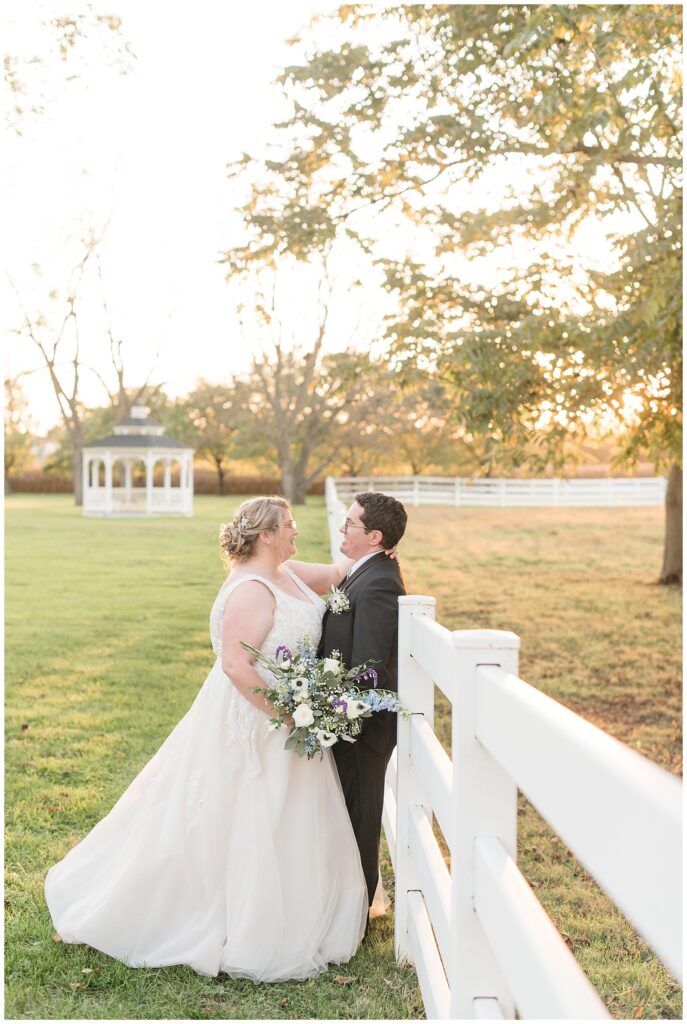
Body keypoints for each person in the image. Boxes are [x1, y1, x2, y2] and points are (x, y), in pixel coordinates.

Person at [45, 496, 369, 982]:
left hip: (290, 711)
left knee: (288, 815)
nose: (295, 533)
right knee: (241, 811)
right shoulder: (253, 589)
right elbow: (238, 666)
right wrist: (292, 715)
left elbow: (340, 572)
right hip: (258, 716)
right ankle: (229, 918)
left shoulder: (290, 571)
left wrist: (375, 551)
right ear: (266, 535)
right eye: (289, 526)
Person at [316, 492, 407, 910]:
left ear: (373, 536)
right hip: (346, 722)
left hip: (360, 732)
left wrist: (348, 728)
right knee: (348, 815)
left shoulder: (380, 584)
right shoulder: (365, 572)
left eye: (350, 523)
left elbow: (369, 666)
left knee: (360, 818)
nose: (342, 528)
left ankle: (358, 914)